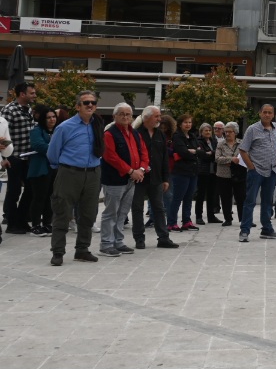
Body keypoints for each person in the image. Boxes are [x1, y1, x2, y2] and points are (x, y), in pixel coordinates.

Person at [47, 90, 104, 266]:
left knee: (88, 214)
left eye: (93, 102)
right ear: (78, 106)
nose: (90, 105)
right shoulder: (65, 127)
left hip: (93, 173)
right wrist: (64, 170)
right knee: (62, 213)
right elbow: (52, 153)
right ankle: (58, 252)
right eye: (86, 102)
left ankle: (82, 250)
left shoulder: (98, 124)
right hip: (69, 173)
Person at [99, 102, 147, 256]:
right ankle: (106, 244)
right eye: (122, 114)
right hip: (114, 179)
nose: (125, 117)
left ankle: (118, 242)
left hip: (132, 179)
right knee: (111, 213)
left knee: (123, 213)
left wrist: (141, 170)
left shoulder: (135, 133)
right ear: (114, 116)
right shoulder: (109, 134)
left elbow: (144, 153)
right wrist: (130, 171)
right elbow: (110, 156)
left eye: (128, 114)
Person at [133, 106, 178, 249]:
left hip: (157, 177)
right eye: (156, 116)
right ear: (146, 117)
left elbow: (164, 158)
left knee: (159, 208)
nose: (160, 119)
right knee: (137, 208)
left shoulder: (160, 135)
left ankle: (163, 238)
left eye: (159, 116)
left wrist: (165, 178)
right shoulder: (136, 134)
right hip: (139, 177)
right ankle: (139, 238)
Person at [238, 104, 276, 242]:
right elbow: (243, 150)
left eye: (270, 112)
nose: (267, 115)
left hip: (272, 171)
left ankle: (267, 229)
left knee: (267, 202)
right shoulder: (252, 129)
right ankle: (244, 231)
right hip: (256, 171)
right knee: (250, 201)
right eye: (265, 112)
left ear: (273, 114)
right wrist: (251, 167)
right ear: (260, 113)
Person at [1, 81, 37, 235]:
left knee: (31, 189)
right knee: (14, 191)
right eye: (32, 93)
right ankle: (11, 222)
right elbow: (2, 134)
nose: (34, 95)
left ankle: (21, 219)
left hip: (28, 157)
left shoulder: (28, 109)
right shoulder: (9, 110)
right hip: (14, 157)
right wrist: (4, 157)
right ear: (22, 94)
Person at [27, 105, 57, 236]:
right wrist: (55, 149)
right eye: (48, 117)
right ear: (43, 119)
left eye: (53, 117)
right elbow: (38, 145)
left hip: (54, 169)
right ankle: (35, 225)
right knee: (39, 197)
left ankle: (47, 223)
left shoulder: (58, 130)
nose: (52, 119)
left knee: (50, 197)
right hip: (40, 169)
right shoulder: (36, 130)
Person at [167, 114, 199, 233]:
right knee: (177, 198)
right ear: (180, 124)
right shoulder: (177, 136)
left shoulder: (192, 136)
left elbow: (200, 151)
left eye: (190, 122)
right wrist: (194, 152)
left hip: (193, 170)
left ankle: (186, 221)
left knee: (189, 197)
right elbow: (183, 152)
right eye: (185, 122)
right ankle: (171, 223)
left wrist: (194, 152)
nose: (188, 124)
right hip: (181, 171)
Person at [214, 122, 245, 226]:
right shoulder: (220, 144)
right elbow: (217, 158)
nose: (227, 134)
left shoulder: (242, 143)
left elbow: (245, 157)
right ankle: (228, 219)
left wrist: (228, 160)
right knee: (225, 198)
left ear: (235, 132)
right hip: (223, 175)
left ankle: (243, 219)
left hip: (239, 174)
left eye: (230, 132)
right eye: (225, 132)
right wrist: (232, 159)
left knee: (241, 197)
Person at [195, 123, 221, 224]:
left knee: (212, 195)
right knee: (201, 195)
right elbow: (201, 155)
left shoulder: (214, 141)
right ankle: (199, 216)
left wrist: (211, 153)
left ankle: (211, 216)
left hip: (213, 171)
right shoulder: (198, 141)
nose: (208, 132)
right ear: (201, 132)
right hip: (202, 171)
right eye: (206, 130)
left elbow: (218, 153)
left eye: (209, 130)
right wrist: (210, 153)